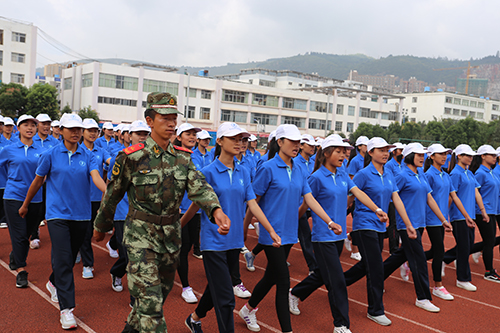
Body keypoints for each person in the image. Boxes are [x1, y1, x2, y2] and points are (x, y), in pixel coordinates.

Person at [93, 92, 230, 333]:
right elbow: (112, 194)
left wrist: (216, 210)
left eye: (173, 118)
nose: (171, 123)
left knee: (148, 307)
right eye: (164, 118)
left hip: (170, 239)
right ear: (149, 120)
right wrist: (100, 227)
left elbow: (199, 187)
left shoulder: (183, 158)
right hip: (140, 238)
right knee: (152, 311)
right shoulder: (132, 157)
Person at [238, 124, 342, 333]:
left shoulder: (300, 168)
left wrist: (329, 221)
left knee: (271, 277)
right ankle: (287, 330)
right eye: (293, 142)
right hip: (271, 234)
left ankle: (248, 309)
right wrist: (244, 229)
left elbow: (309, 198)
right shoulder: (268, 168)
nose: (297, 146)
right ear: (280, 143)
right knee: (283, 281)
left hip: (289, 232)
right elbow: (253, 201)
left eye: (299, 142)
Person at [184, 122, 280, 333]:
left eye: (242, 139)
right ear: (219, 141)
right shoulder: (207, 172)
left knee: (217, 286)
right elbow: (195, 204)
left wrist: (270, 229)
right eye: (234, 139)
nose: (239, 143)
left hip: (234, 240)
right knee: (227, 298)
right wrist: (179, 227)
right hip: (213, 240)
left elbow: (252, 203)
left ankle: (194, 318)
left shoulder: (244, 171)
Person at [289, 135, 388, 333]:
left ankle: (295, 293)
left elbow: (358, 193)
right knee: (337, 281)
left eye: (344, 151)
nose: (343, 155)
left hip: (338, 237)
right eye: (338, 151)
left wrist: (376, 209)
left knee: (322, 274)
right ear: (326, 153)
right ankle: (341, 325)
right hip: (322, 237)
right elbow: (308, 202)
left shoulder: (343, 174)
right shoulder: (316, 178)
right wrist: (303, 220)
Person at [19, 113, 107, 330]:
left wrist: (111, 193)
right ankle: (67, 310)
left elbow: (96, 177)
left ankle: (53, 281)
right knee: (64, 257)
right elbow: (38, 181)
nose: (76, 132)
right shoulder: (50, 154)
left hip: (82, 216)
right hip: (57, 215)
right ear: (62, 130)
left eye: (79, 129)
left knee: (66, 260)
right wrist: (26, 204)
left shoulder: (88, 156)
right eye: (71, 129)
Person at [343, 137, 414, 326]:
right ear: (371, 152)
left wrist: (407, 224)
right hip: (364, 224)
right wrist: (337, 219)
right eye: (381, 150)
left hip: (379, 226)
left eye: (387, 150)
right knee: (375, 267)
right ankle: (375, 310)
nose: (385, 153)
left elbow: (396, 199)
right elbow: (350, 199)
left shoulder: (389, 174)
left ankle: (337, 283)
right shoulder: (363, 174)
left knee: (367, 265)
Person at [383, 143, 452, 313]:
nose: (422, 157)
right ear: (408, 156)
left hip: (420, 224)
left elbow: (430, 199)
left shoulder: (420, 174)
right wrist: (392, 218)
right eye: (418, 155)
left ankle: (375, 277)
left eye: (423, 155)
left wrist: (443, 219)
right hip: (407, 225)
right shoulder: (402, 175)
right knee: (419, 260)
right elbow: (391, 197)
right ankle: (423, 297)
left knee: (400, 256)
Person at [424, 144, 474, 300]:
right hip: (431, 218)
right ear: (431, 156)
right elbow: (426, 198)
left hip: (442, 218)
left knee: (434, 250)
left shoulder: (445, 175)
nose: (444, 156)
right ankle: (438, 286)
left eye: (446, 154)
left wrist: (466, 216)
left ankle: (406, 261)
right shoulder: (429, 175)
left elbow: (454, 196)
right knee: (439, 250)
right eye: (440, 154)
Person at [108, 120, 150, 304]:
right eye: (138, 133)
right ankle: (117, 272)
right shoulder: (121, 158)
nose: (142, 136)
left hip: (144, 215)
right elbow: (113, 188)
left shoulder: (153, 159)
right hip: (123, 213)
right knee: (128, 255)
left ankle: (136, 299)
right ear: (128, 136)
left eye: (145, 133)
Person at [0, 115, 44, 287]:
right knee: (18, 235)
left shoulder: (41, 150)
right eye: (26, 125)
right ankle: (21, 269)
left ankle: (15, 256)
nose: (30, 128)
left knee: (26, 234)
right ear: (19, 128)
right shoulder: (9, 149)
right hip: (14, 196)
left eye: (33, 125)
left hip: (36, 198)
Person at [443, 144, 489, 291]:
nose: (470, 158)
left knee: (467, 245)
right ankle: (462, 279)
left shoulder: (468, 172)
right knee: (464, 247)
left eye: (471, 156)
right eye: (467, 155)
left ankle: (445, 259)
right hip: (459, 215)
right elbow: (453, 195)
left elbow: (476, 192)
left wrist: (482, 211)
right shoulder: (455, 174)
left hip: (469, 215)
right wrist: (448, 216)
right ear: (459, 157)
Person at [174, 122, 204, 302]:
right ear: (179, 137)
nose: (192, 137)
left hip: (196, 210)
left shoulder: (198, 157)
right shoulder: (174, 156)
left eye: (194, 134)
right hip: (178, 210)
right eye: (188, 134)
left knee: (190, 245)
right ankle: (185, 286)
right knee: (182, 249)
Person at [77, 118, 111, 279]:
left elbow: (111, 161)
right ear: (82, 132)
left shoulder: (100, 150)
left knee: (90, 230)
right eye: (89, 130)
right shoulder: (77, 149)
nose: (92, 133)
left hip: (97, 197)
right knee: (82, 231)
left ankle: (84, 257)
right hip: (79, 197)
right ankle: (88, 264)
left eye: (95, 130)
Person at [469, 145, 500, 282]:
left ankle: (456, 255)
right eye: (491, 155)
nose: (494, 157)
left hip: (492, 210)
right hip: (482, 212)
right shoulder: (480, 173)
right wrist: (481, 210)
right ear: (482, 156)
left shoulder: (491, 172)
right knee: (489, 241)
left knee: (490, 240)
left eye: (495, 155)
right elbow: (474, 193)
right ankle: (489, 272)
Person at [294, 134, 319, 274]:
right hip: (298, 205)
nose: (313, 147)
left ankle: (254, 253)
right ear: (301, 146)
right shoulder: (295, 162)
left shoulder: (313, 162)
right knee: (305, 236)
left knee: (295, 235)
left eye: (314, 145)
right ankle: (313, 268)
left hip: (311, 203)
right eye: (309, 145)